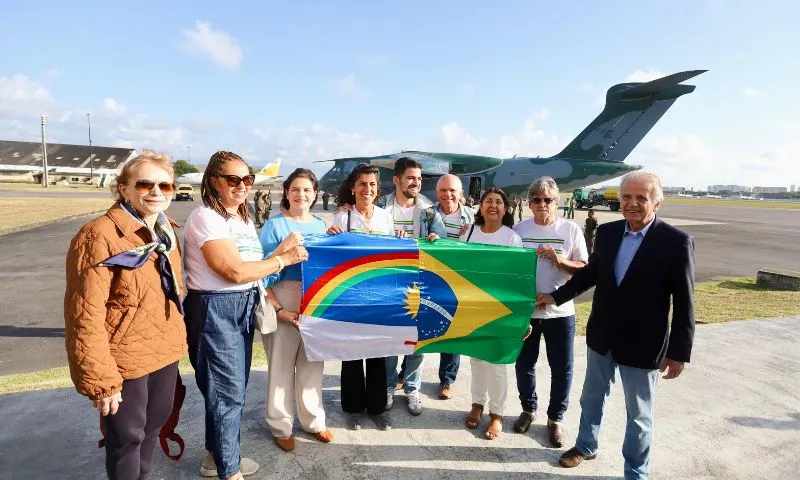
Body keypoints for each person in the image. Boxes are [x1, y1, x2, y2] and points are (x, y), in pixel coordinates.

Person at [538, 170, 695, 480]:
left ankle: (636, 472)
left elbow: (685, 301)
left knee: (639, 416)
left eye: (641, 198)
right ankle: (586, 445)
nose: (632, 203)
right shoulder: (608, 234)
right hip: (602, 338)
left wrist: (679, 352)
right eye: (627, 197)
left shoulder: (676, 242)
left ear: (657, 203)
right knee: (591, 398)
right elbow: (588, 275)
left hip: (644, 344)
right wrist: (554, 297)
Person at [183, 151, 308, 480]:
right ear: (214, 181)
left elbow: (252, 272)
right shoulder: (207, 217)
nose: (242, 186)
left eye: (247, 180)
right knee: (228, 393)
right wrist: (283, 260)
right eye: (233, 180)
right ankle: (230, 471)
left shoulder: (240, 219)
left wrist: (278, 255)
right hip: (216, 307)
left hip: (241, 305)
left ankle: (216, 459)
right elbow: (233, 271)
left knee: (225, 390)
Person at [64, 151, 187, 480]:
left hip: (162, 351)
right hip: (124, 358)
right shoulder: (99, 236)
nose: (157, 191)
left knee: (151, 430)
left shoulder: (164, 233)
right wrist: (101, 381)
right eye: (145, 183)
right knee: (126, 439)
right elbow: (84, 315)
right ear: (124, 189)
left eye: (166, 185)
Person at [258, 168, 333, 452]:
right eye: (295, 189)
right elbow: (261, 267)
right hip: (284, 293)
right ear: (286, 192)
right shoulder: (274, 226)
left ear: (315, 195)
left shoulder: (321, 225)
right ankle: (281, 425)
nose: (301, 195)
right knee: (281, 364)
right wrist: (282, 247)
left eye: (307, 190)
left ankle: (313, 421)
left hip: (315, 297)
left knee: (313, 362)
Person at [512, 177, 588, 448]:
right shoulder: (519, 230)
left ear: (557, 202)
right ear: (530, 203)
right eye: (536, 199)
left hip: (560, 313)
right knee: (524, 365)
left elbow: (583, 269)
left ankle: (555, 418)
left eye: (548, 200)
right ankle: (528, 410)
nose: (542, 204)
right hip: (527, 311)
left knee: (562, 369)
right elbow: (509, 269)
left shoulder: (569, 229)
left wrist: (559, 259)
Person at [327, 163, 394, 431]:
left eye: (373, 185)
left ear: (378, 189)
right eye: (363, 184)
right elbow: (335, 253)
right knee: (352, 351)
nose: (368, 189)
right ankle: (353, 407)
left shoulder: (385, 217)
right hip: (351, 293)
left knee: (378, 350)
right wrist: (331, 237)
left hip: (378, 294)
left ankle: (377, 408)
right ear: (353, 188)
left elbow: (391, 253)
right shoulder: (343, 217)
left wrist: (398, 239)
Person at [377, 157, 446, 416]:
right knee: (392, 337)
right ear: (396, 180)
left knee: (418, 337)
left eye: (419, 178)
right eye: (410, 178)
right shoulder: (381, 206)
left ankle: (412, 387)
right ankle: (388, 385)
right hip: (390, 280)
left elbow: (444, 242)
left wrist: (435, 239)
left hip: (420, 280)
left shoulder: (429, 210)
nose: (416, 183)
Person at [460, 187, 523, 440]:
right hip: (475, 306)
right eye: (488, 201)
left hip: (500, 309)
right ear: (481, 207)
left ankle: (497, 413)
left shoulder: (511, 238)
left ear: (505, 208)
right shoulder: (469, 233)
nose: (493, 206)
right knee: (477, 359)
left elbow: (516, 278)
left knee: (497, 363)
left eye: (498, 202)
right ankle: (477, 403)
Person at [431, 174, 475, 399]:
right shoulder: (428, 214)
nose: (447, 195)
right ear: (437, 192)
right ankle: (406, 374)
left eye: (452, 191)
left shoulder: (474, 216)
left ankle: (447, 379)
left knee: (452, 330)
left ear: (460, 194)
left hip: (460, 282)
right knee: (422, 326)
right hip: (432, 279)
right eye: (443, 190)